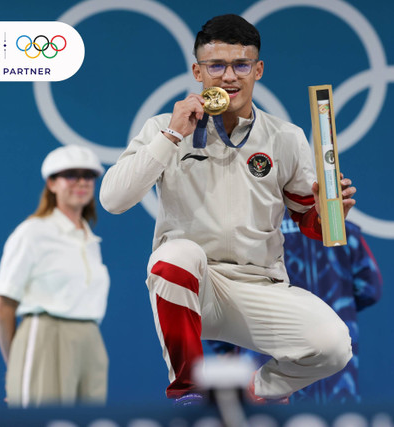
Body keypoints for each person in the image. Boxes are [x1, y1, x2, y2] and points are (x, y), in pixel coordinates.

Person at [99, 14, 357, 405]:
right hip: (197, 284)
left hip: (261, 286)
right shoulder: (163, 129)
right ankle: (189, 391)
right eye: (216, 66)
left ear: (258, 69)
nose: (229, 77)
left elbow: (312, 225)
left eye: (240, 65)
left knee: (334, 345)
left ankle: (254, 391)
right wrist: (172, 135)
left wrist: (329, 212)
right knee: (173, 257)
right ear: (197, 71)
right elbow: (113, 201)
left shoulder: (286, 137)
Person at [208, 212, 382, 404]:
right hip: (336, 383)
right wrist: (337, 306)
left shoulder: (246, 233)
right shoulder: (340, 228)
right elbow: (370, 289)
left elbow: (220, 299)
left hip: (265, 382)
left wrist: (226, 349)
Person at [0, 145, 110, 407]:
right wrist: (17, 367)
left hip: (91, 339)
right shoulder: (33, 232)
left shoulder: (89, 238)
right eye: (71, 174)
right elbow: (2, 308)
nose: (81, 182)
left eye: (88, 176)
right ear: (52, 183)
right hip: (46, 336)